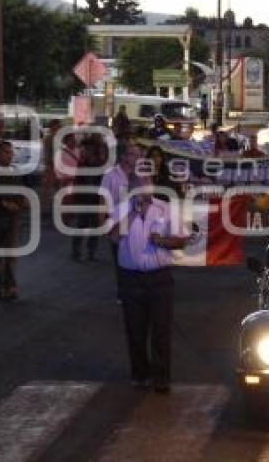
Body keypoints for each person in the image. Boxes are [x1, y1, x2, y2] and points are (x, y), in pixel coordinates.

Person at [110, 177, 194, 392]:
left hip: (159, 278)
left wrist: (163, 241)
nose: (142, 189)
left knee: (161, 329)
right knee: (135, 329)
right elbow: (112, 237)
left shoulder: (165, 209)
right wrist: (133, 213)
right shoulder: (122, 209)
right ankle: (140, 374)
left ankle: (161, 378)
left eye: (146, 185)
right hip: (131, 278)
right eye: (138, 185)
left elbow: (183, 239)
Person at [0, 138, 26, 301]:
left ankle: (10, 285)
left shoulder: (14, 172)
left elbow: (21, 191)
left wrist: (21, 203)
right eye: (7, 153)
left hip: (13, 219)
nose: (10, 156)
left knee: (10, 255)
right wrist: (3, 202)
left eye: (11, 153)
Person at [101, 140, 140, 300]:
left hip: (137, 221)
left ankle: (134, 289)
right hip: (118, 222)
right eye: (133, 154)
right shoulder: (111, 175)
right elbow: (103, 199)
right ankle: (123, 292)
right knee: (120, 259)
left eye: (139, 154)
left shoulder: (139, 175)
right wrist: (103, 224)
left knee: (136, 256)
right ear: (123, 156)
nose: (137, 158)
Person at [71, 135, 105, 261]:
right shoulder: (81, 164)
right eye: (84, 149)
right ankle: (77, 251)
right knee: (81, 225)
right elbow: (77, 183)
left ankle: (91, 251)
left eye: (87, 149)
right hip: (84, 199)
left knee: (94, 227)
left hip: (95, 199)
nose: (84, 151)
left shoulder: (99, 165)